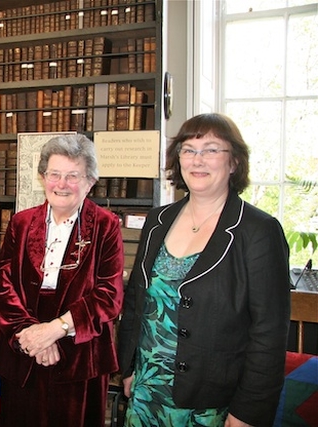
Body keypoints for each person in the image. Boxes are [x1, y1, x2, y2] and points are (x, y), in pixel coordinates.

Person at [117, 113, 290, 427]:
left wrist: (247, 413)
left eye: (211, 149)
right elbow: (136, 302)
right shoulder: (158, 221)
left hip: (212, 404)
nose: (198, 160)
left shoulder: (259, 231)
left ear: (234, 162)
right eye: (189, 149)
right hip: (147, 392)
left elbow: (269, 334)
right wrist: (128, 368)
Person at [0, 134, 125, 427]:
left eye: (72, 176)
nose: (61, 184)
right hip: (24, 348)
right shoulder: (21, 223)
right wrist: (29, 332)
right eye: (54, 174)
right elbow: (2, 281)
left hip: (80, 355)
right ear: (43, 177)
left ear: (90, 181)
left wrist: (56, 329)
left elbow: (109, 295)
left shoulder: (106, 226)